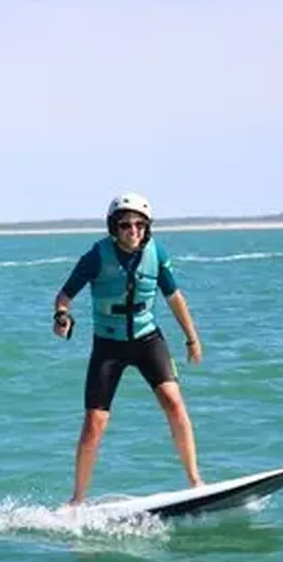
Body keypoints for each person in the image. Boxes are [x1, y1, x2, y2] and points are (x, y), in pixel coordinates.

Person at [53, 192, 204, 505]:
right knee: (95, 423)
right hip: (109, 344)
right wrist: (62, 317)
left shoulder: (156, 254)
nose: (132, 230)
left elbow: (174, 297)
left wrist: (192, 338)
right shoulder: (96, 256)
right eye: (125, 225)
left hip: (148, 339)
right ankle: (77, 500)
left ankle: (195, 481)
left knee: (174, 404)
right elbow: (64, 296)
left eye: (139, 224)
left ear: (147, 228)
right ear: (114, 227)